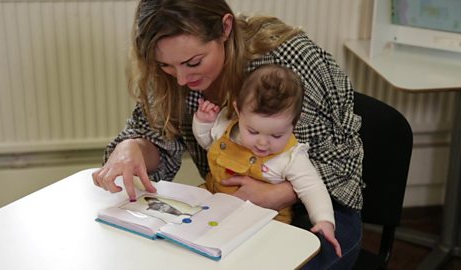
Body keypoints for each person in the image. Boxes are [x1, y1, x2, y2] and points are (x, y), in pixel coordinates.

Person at [92, 0, 364, 269]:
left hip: (317, 212)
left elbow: (343, 164)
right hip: (233, 210)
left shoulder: (287, 62)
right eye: (166, 66)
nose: (181, 80)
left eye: (193, 62)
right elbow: (159, 142)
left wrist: (281, 193)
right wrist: (133, 147)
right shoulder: (172, 68)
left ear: (225, 28)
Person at [193, 64, 341, 257]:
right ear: (238, 110)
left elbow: (313, 188)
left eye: (277, 135)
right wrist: (203, 122)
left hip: (262, 222)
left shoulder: (291, 157)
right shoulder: (229, 129)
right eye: (253, 131)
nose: (262, 143)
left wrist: (324, 221)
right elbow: (207, 143)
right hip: (215, 205)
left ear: (295, 122)